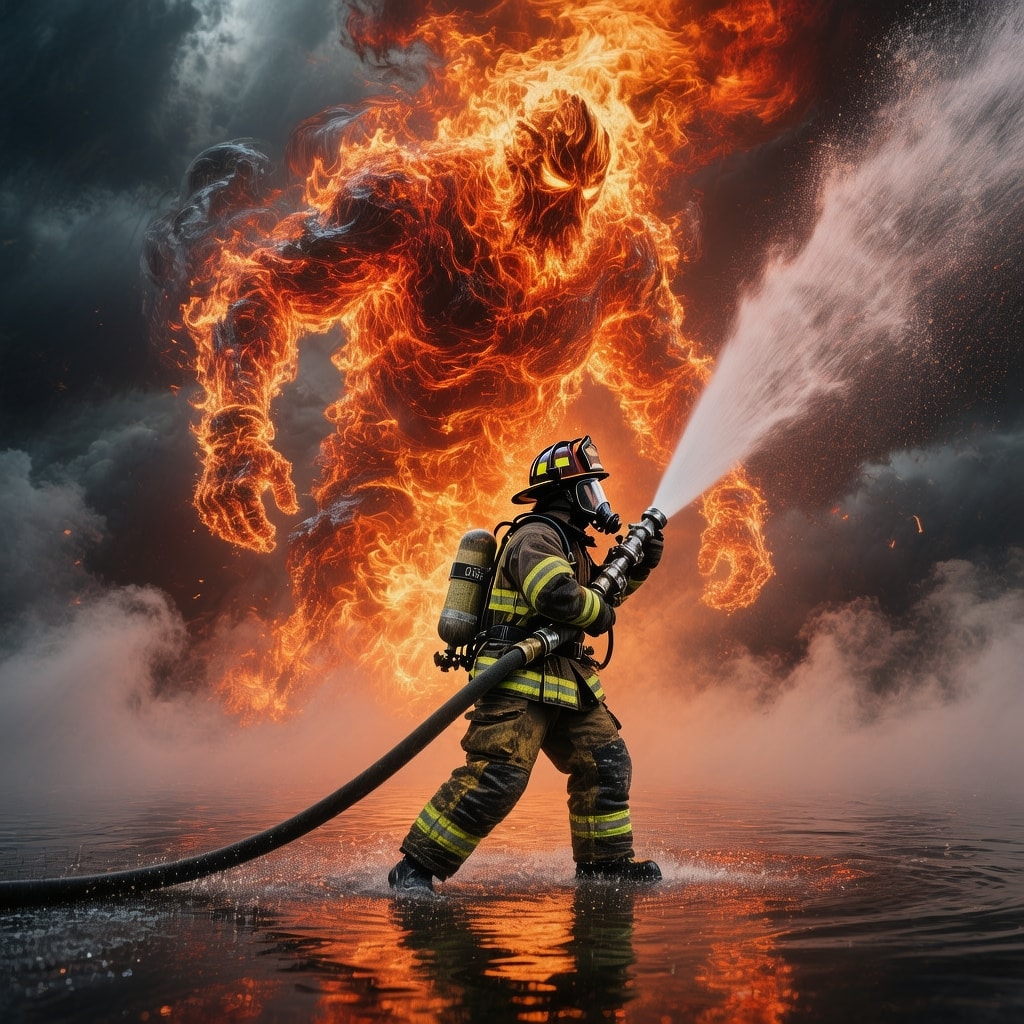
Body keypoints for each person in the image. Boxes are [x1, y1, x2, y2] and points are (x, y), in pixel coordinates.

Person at [388, 436, 663, 895]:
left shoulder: (569, 544)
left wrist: (636, 568)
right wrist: (600, 613)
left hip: (566, 681)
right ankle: (415, 869)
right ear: (567, 493)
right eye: (589, 489)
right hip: (518, 678)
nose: (597, 500)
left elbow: (597, 594)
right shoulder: (535, 536)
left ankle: (606, 866)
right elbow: (559, 596)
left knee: (606, 764)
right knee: (499, 777)